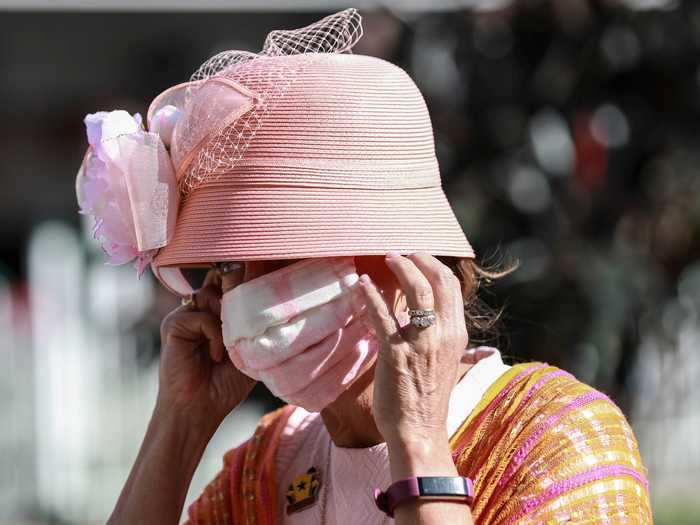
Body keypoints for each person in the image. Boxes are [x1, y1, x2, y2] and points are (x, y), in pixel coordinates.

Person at [76, 10, 652, 525]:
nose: (235, 291)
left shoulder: (557, 437)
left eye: (275, 246)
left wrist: (421, 447)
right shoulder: (265, 469)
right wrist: (179, 427)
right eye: (223, 262)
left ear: (396, 257)